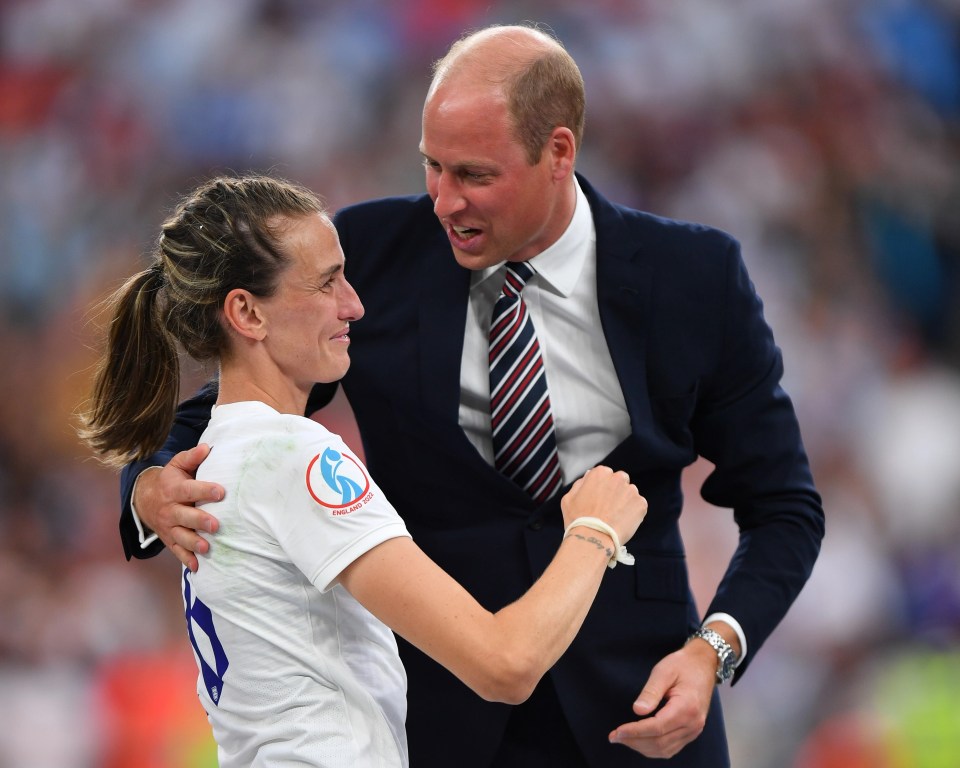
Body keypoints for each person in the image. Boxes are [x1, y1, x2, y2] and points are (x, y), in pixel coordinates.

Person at [119, 24, 825, 768]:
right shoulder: (374, 255)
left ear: (558, 153)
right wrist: (148, 487)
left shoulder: (695, 276)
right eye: (432, 167)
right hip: (447, 721)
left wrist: (715, 649)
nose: (443, 200)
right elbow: (239, 394)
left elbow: (784, 505)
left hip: (642, 719)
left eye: (474, 175)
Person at [81, 173, 647, 768]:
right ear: (246, 312)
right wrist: (593, 531)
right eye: (326, 284)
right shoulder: (294, 456)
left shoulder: (219, 457)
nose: (354, 303)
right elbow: (503, 664)